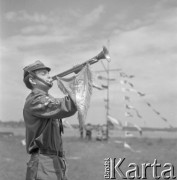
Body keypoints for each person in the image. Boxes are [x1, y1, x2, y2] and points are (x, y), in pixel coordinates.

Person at [23, 60, 77, 180]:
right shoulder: (35, 100)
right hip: (44, 162)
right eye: (43, 73)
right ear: (32, 80)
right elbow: (67, 106)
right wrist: (79, 82)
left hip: (55, 161)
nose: (48, 76)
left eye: (48, 73)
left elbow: (65, 104)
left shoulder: (47, 99)